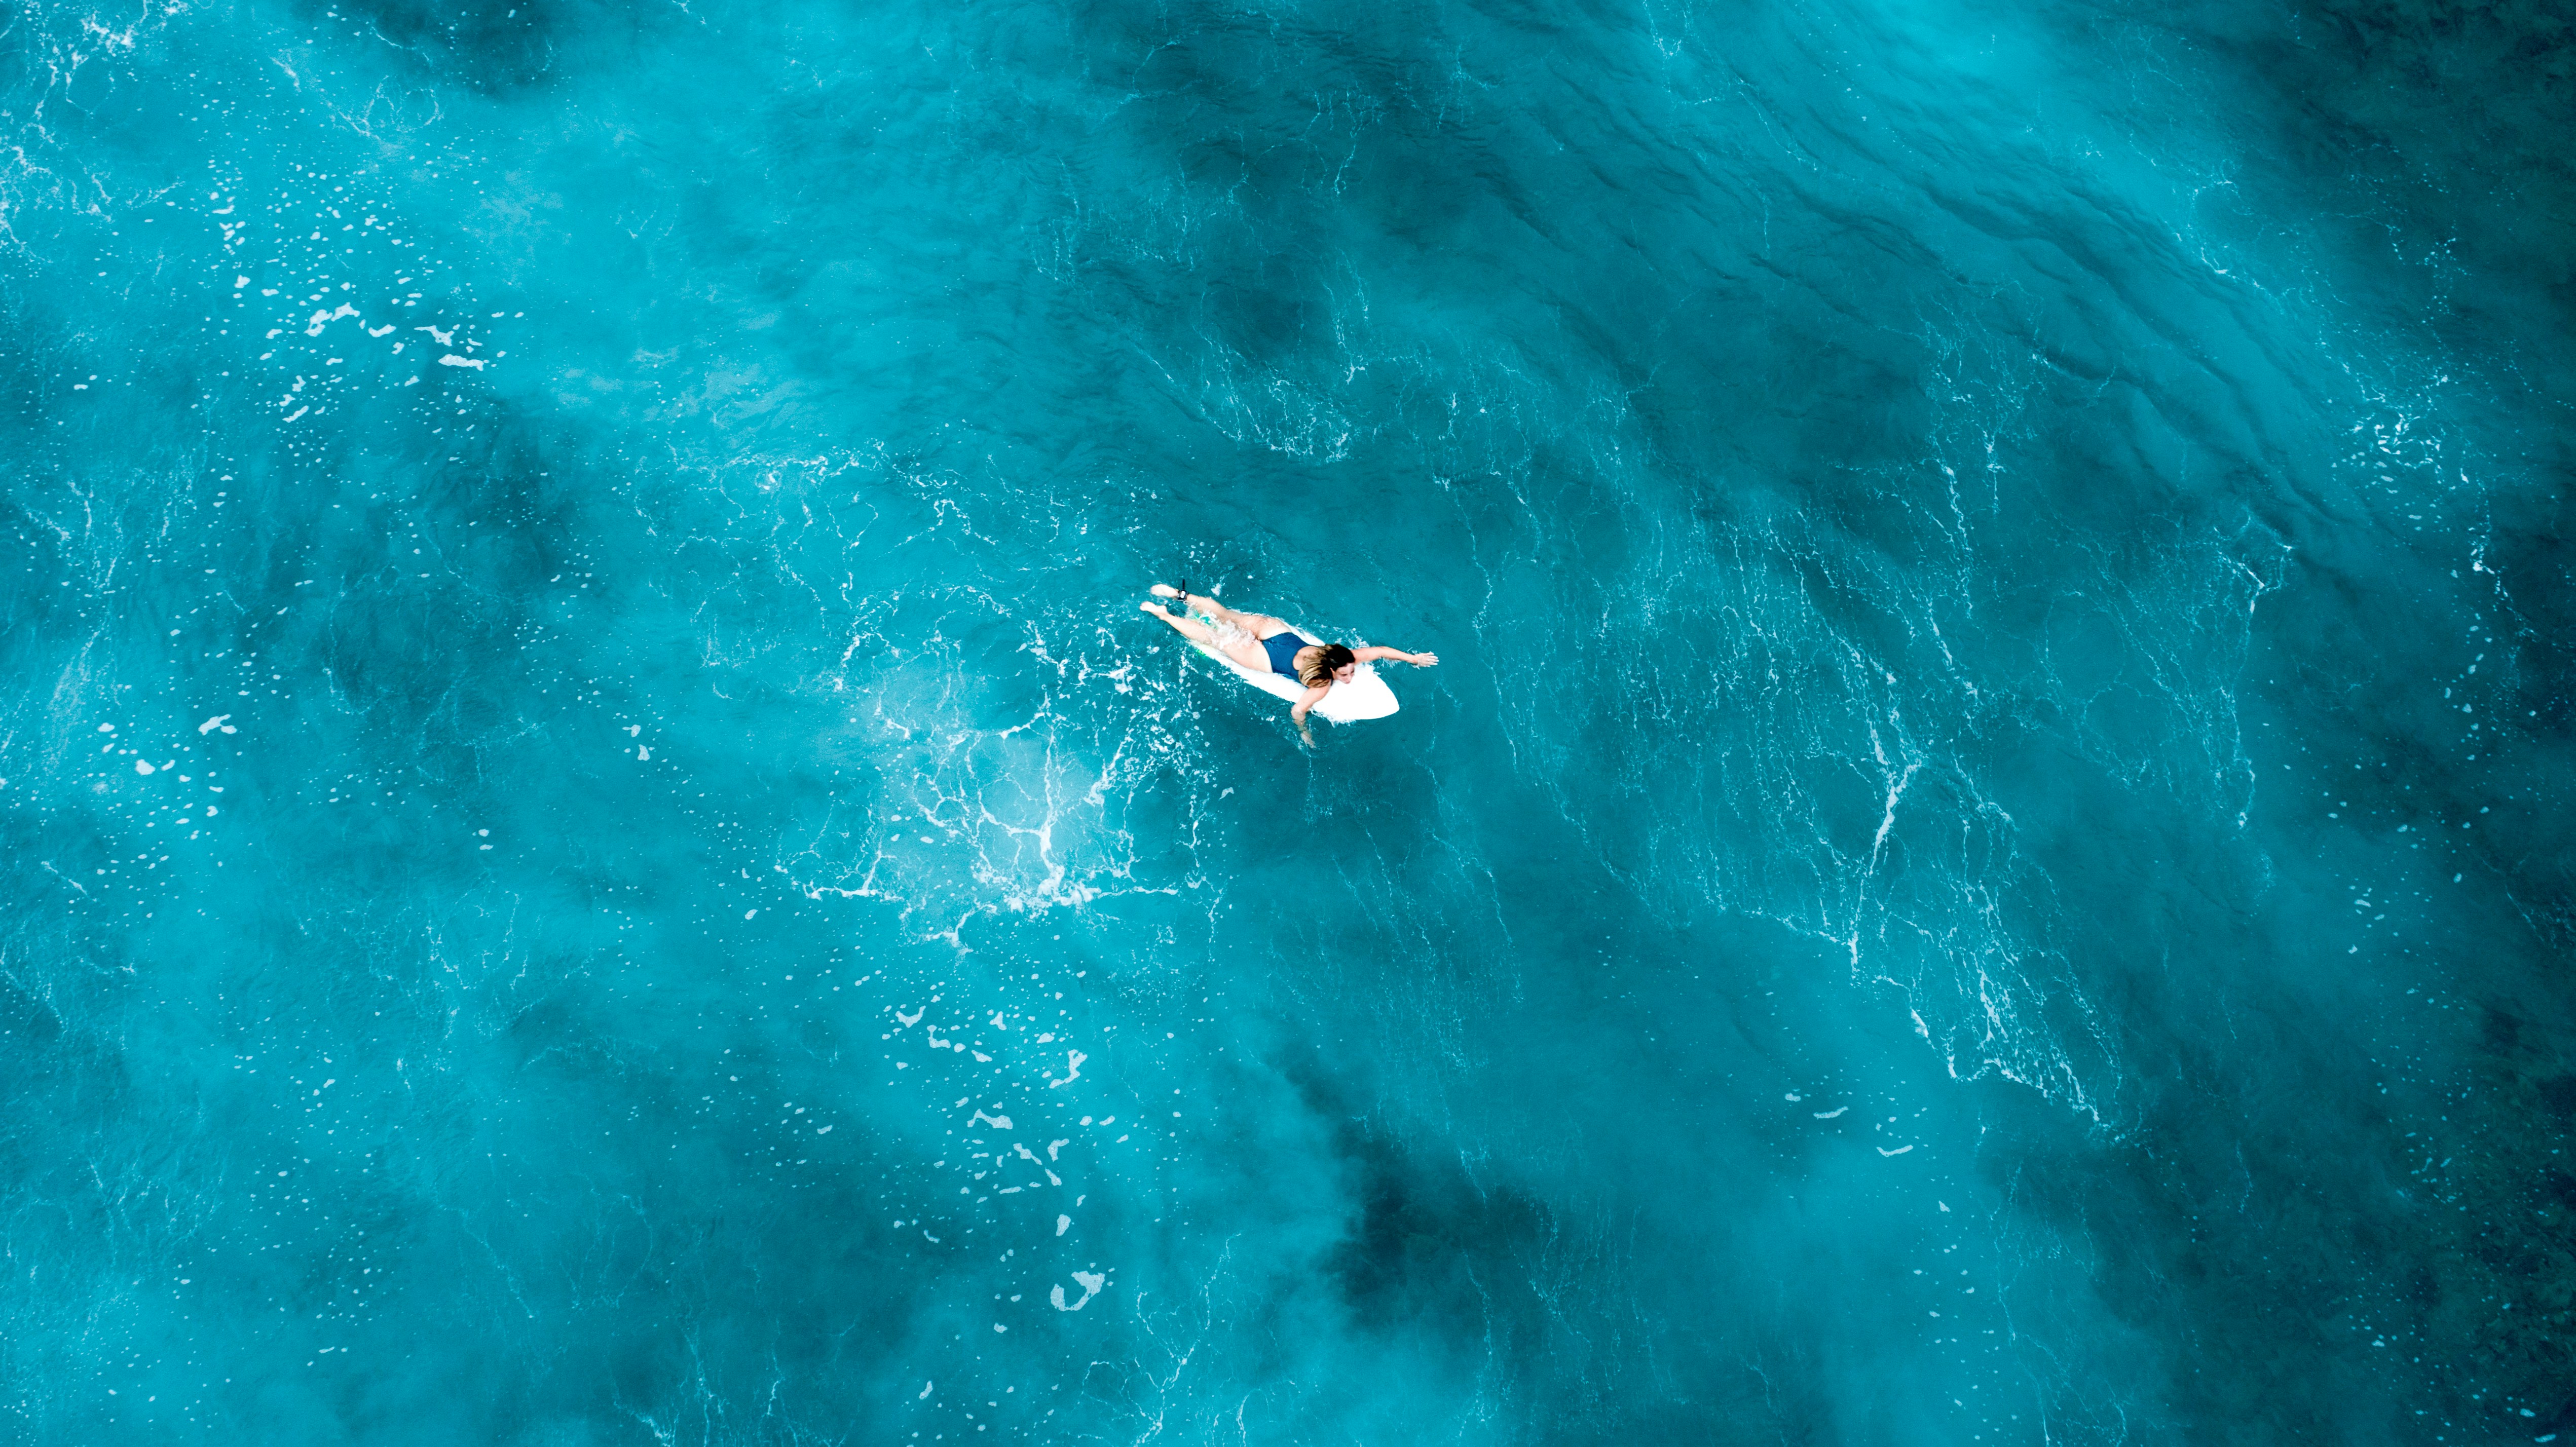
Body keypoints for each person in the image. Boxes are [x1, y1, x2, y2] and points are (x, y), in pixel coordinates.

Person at [1139, 583, 1437, 742]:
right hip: (1266, 658)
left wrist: (1413, 659)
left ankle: (1179, 594)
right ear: (1332, 670)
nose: (1350, 676)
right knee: (1211, 638)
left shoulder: (1343, 654)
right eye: (1345, 675)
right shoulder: (1321, 684)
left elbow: (1382, 650)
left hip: (1277, 632)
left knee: (1227, 616)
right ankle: (1163, 614)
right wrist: (1304, 732)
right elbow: (1298, 709)